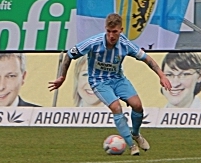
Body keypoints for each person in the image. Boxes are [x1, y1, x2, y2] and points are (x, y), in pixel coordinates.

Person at [49, 13, 172, 155]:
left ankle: (136, 134)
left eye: (115, 32)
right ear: (105, 29)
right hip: (99, 81)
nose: (111, 35)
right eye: (108, 31)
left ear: (121, 30)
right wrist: (62, 77)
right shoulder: (93, 42)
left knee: (137, 106)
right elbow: (70, 54)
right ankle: (132, 146)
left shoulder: (125, 45)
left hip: (118, 79)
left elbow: (147, 59)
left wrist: (161, 75)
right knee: (116, 107)